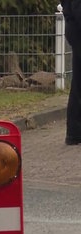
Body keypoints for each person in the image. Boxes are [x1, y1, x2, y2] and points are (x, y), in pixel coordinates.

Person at [60, 0, 81, 145]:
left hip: (74, 27)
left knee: (78, 82)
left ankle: (74, 133)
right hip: (77, 28)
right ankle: (74, 133)